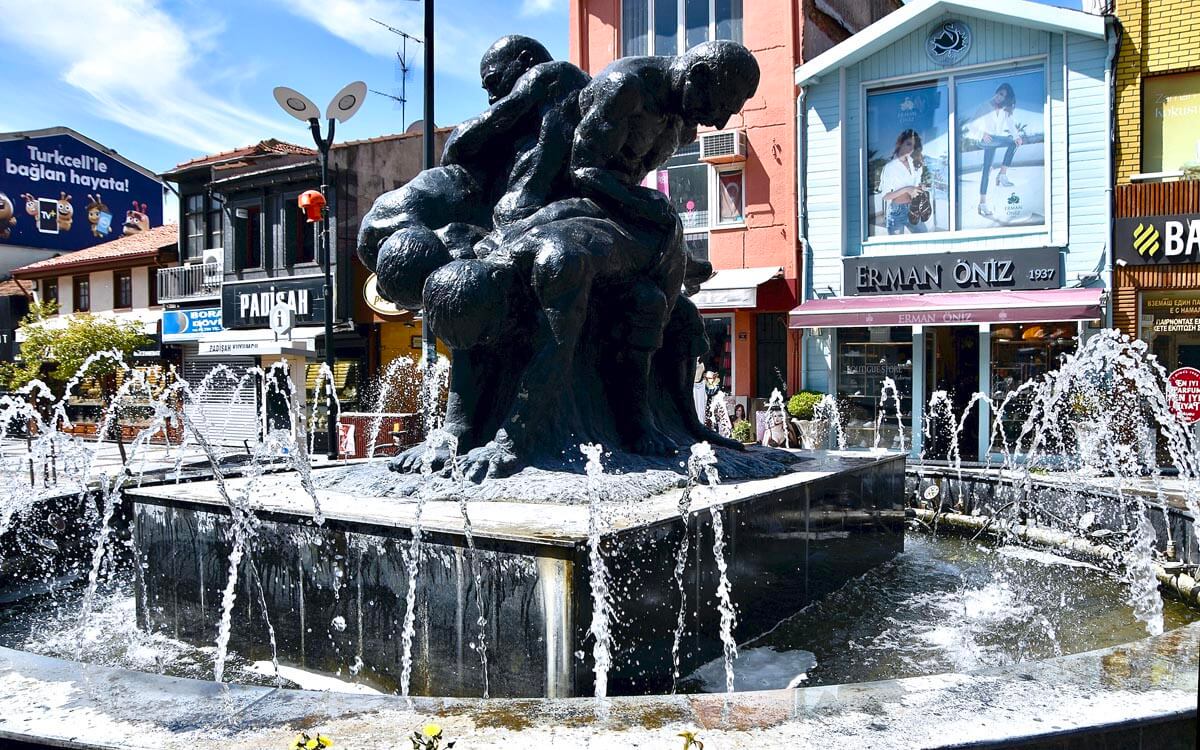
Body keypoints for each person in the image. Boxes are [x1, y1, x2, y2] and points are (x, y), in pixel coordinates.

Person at [968, 82, 1022, 218]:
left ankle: (982, 203)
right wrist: (982, 134)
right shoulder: (985, 106)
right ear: (996, 92)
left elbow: (1011, 125)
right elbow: (971, 125)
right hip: (985, 139)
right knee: (1011, 142)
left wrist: (1017, 136)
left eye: (1003, 96)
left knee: (986, 171)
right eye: (999, 93)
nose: (1000, 97)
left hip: (994, 141)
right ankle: (1002, 175)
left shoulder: (1005, 110)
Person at [877, 129, 928, 235]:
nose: (911, 148)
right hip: (897, 212)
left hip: (913, 208)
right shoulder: (890, 167)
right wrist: (906, 189)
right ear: (900, 143)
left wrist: (920, 188)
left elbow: (916, 185)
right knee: (896, 248)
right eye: (908, 144)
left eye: (913, 146)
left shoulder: (915, 164)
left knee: (924, 236)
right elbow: (885, 196)